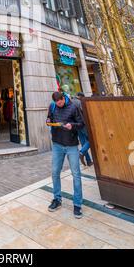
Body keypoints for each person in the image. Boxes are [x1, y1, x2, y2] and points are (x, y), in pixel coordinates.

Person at [47, 91, 85, 219]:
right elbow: (49, 118)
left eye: (60, 102)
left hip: (71, 145)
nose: (59, 104)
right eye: (57, 103)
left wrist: (72, 126)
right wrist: (48, 121)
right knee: (55, 172)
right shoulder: (52, 106)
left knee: (76, 174)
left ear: (64, 98)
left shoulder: (73, 107)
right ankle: (57, 199)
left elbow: (81, 123)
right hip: (57, 144)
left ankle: (77, 204)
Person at [74, 92, 93, 167]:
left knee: (83, 143)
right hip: (83, 125)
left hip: (76, 126)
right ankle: (81, 152)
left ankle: (88, 161)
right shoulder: (79, 102)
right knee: (91, 140)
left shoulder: (71, 102)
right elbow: (85, 112)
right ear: (80, 96)